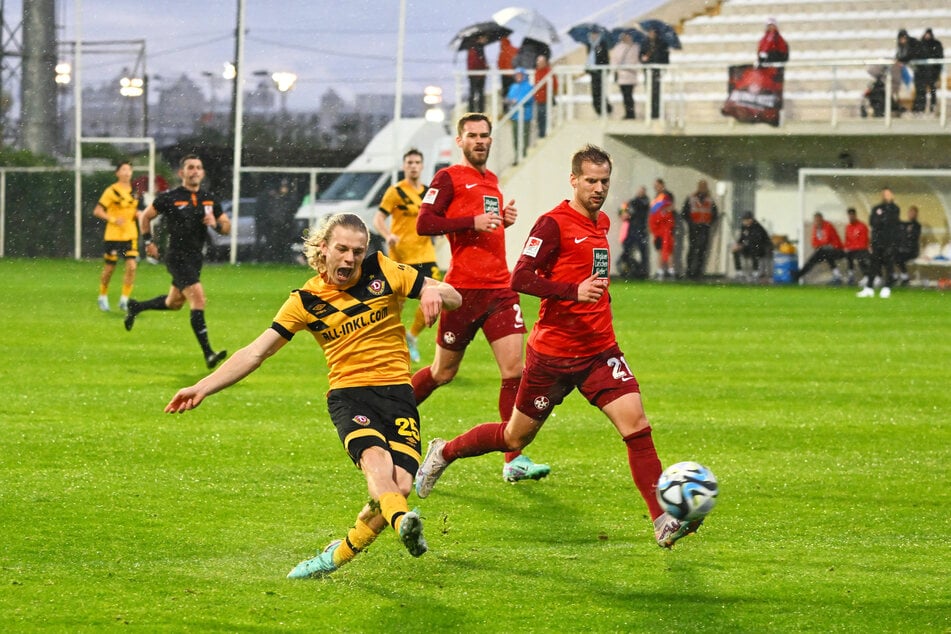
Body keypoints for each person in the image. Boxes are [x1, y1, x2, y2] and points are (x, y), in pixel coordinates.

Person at [414, 145, 704, 549]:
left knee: (636, 426)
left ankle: (662, 520)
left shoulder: (602, 221)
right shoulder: (552, 224)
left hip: (601, 352)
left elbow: (594, 282)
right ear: (574, 180)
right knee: (515, 438)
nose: (599, 188)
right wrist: (572, 291)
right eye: (591, 181)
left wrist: (597, 306)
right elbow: (521, 278)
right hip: (553, 356)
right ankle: (445, 452)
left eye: (604, 181)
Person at [164, 213, 462, 579]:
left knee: (398, 486)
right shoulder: (305, 300)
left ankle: (336, 556)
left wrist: (433, 289)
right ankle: (403, 523)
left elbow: (455, 297)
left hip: (399, 394)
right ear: (324, 248)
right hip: (350, 396)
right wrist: (203, 386)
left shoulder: (385, 270)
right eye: (342, 249)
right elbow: (256, 352)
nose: (350, 259)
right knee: (376, 462)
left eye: (357, 250)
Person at [412, 112, 550, 483]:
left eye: (485, 135)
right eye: (472, 135)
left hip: (500, 290)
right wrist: (470, 223)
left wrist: (501, 220)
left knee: (514, 370)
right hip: (462, 293)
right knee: (443, 372)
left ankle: (513, 458)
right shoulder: (448, 177)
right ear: (460, 141)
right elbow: (424, 223)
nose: (480, 141)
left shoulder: (491, 181)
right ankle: (391, 411)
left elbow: (483, 228)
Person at [124, 154, 231, 369]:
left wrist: (215, 224)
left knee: (174, 303)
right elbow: (145, 217)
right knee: (198, 300)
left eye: (199, 167)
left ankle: (136, 306)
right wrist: (148, 242)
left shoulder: (209, 199)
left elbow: (226, 227)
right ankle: (209, 353)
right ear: (182, 173)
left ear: (203, 173)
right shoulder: (170, 197)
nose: (195, 171)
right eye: (190, 167)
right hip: (176, 257)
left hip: (195, 258)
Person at [373, 148, 439, 363]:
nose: (413, 166)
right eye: (409, 162)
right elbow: (378, 219)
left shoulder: (430, 193)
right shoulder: (395, 191)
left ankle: (412, 336)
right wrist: (388, 235)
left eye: (417, 162)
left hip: (425, 253)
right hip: (400, 255)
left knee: (434, 295)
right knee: (396, 304)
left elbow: (438, 218)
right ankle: (391, 343)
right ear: (404, 166)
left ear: (422, 166)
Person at [93, 159, 141, 312]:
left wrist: (138, 214)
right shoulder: (111, 191)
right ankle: (102, 295)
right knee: (109, 268)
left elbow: (133, 210)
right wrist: (113, 219)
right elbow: (98, 211)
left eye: (129, 170)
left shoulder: (135, 190)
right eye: (124, 170)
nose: (127, 173)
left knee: (132, 267)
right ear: (117, 173)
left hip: (130, 234)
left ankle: (124, 300)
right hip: (113, 235)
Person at [858, 187, 900, 298]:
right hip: (877, 240)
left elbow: (891, 222)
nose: (886, 196)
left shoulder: (895, 208)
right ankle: (869, 288)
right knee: (874, 264)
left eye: (888, 194)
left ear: (892, 195)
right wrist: (881, 220)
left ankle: (887, 287)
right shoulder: (877, 208)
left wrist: (881, 220)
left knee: (888, 265)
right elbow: (873, 222)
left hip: (889, 241)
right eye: (884, 194)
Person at [681, 179, 719, 280]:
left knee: (702, 250)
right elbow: (684, 213)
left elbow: (715, 214)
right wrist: (691, 223)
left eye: (704, 186)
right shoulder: (691, 198)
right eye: (701, 186)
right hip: (694, 228)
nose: (703, 188)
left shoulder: (710, 200)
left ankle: (698, 271)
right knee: (692, 249)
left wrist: (709, 224)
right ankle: (689, 271)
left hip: (704, 228)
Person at [793, 212, 844, 284]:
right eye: (816, 220)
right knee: (815, 257)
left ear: (822, 219)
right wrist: (820, 245)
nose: (817, 222)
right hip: (825, 251)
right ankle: (837, 276)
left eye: (818, 220)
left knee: (822, 253)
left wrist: (819, 244)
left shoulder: (828, 226)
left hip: (837, 250)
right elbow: (814, 243)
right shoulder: (816, 228)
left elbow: (826, 240)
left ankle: (798, 275)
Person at [618, 185, 650, 279]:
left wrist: (628, 211)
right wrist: (624, 212)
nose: (640, 193)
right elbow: (623, 211)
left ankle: (642, 272)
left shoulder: (644, 201)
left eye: (642, 191)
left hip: (641, 230)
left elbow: (636, 208)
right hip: (632, 230)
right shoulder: (633, 202)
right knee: (627, 251)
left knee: (643, 252)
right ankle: (626, 269)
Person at [732, 211, 772, 282]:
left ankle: (755, 271)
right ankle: (739, 272)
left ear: (750, 220)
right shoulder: (744, 227)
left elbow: (756, 241)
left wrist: (743, 245)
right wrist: (738, 244)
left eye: (745, 220)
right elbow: (742, 238)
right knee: (735, 250)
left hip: (761, 248)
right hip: (748, 246)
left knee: (754, 248)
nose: (743, 222)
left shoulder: (757, 227)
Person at [648, 178, 676, 280]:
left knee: (668, 249)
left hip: (666, 228)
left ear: (662, 185)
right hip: (659, 229)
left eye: (657, 185)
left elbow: (670, 208)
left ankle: (670, 271)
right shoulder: (657, 197)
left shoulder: (666, 196)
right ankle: (661, 270)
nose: (656, 187)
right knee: (660, 249)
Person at [640, 27, 669, 119]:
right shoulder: (645, 43)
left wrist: (663, 69)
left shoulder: (662, 43)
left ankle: (656, 113)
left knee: (656, 92)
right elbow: (641, 55)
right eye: (650, 32)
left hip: (657, 70)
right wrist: (643, 59)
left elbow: (665, 57)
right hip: (648, 71)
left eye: (653, 32)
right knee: (649, 91)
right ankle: (651, 112)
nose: (651, 34)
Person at [505, 68, 534, 162]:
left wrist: (517, 101)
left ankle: (523, 154)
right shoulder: (513, 86)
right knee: (515, 137)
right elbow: (509, 97)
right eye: (516, 75)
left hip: (525, 116)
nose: (518, 77)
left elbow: (529, 99)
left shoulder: (528, 86)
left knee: (524, 136)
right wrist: (509, 101)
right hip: (515, 116)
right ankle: (517, 155)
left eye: (520, 75)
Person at [611, 31, 640, 120]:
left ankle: (630, 114)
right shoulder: (632, 47)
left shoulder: (634, 47)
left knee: (628, 95)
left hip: (629, 75)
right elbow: (615, 60)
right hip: (623, 75)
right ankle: (629, 113)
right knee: (626, 95)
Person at [914, 29, 943, 113]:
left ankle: (932, 107)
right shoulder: (920, 44)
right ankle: (921, 108)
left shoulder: (936, 44)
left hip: (932, 73)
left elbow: (939, 58)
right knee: (921, 91)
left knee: (932, 90)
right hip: (922, 73)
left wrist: (936, 72)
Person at [585, 29, 612, 117]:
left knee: (600, 91)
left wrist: (598, 49)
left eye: (595, 34)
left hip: (600, 72)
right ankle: (599, 111)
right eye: (592, 34)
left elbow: (604, 58)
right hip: (593, 72)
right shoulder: (589, 45)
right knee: (595, 92)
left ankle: (606, 110)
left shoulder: (602, 44)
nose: (593, 36)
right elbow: (589, 58)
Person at [843, 207, 870, 286]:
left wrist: (853, 247)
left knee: (860, 256)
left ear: (855, 215)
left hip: (862, 249)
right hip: (852, 250)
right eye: (849, 215)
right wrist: (846, 247)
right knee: (847, 254)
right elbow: (847, 240)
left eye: (852, 215)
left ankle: (867, 276)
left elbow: (864, 241)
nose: (850, 217)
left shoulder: (862, 226)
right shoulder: (848, 227)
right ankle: (850, 275)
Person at [895, 204, 922, 285]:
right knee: (891, 255)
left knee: (898, 258)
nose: (911, 214)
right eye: (910, 212)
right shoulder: (905, 224)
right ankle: (893, 276)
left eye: (913, 213)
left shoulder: (917, 225)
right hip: (903, 250)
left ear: (916, 214)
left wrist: (908, 232)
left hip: (912, 251)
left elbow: (913, 237)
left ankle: (905, 277)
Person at [534, 54, 557, 139]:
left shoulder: (548, 71)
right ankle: (542, 133)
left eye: (541, 62)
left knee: (544, 116)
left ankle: (544, 133)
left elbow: (554, 85)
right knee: (540, 117)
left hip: (546, 98)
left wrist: (550, 94)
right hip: (538, 99)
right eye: (538, 62)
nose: (539, 63)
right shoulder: (537, 71)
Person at [467, 35, 489, 113]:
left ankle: (474, 111)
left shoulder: (474, 47)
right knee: (477, 94)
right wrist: (484, 67)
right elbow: (476, 62)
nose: (486, 39)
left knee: (475, 94)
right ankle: (478, 111)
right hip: (477, 75)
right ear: (479, 38)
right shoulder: (477, 48)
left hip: (475, 74)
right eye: (484, 38)